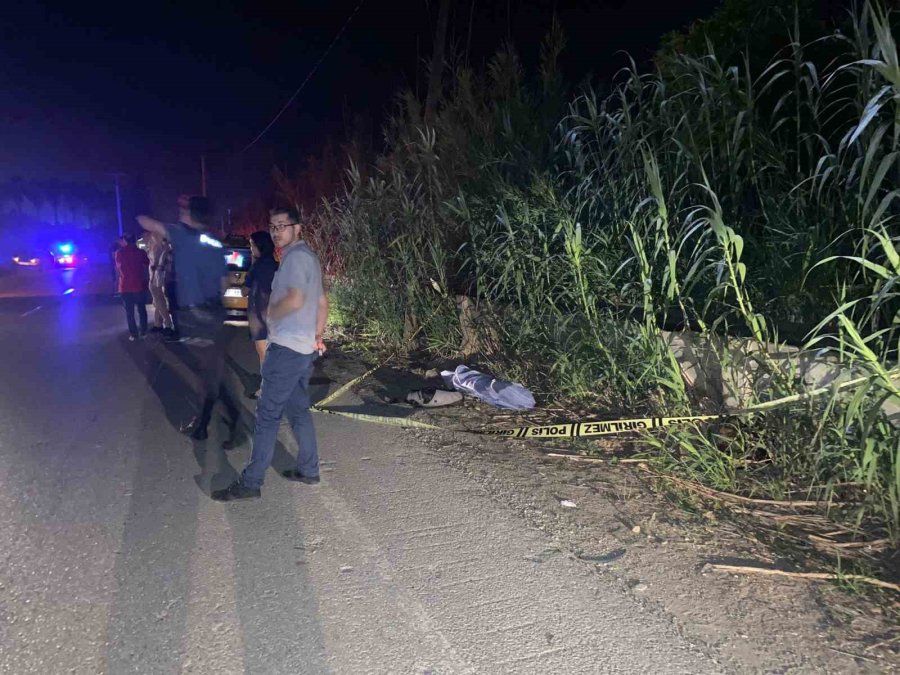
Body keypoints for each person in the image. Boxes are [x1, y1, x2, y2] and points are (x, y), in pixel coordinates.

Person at [213, 207, 328, 501]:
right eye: (273, 226)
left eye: (283, 226)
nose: (277, 231)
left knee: (267, 416)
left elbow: (296, 298)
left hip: (287, 348)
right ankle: (309, 469)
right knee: (298, 410)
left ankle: (251, 483)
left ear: (297, 228)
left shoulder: (294, 259)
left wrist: (271, 313)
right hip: (303, 348)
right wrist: (317, 335)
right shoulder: (309, 258)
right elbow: (322, 302)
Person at [137, 196, 227, 440]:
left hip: (192, 314)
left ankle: (207, 420)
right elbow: (224, 281)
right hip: (214, 311)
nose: (180, 213)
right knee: (207, 367)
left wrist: (136, 204)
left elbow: (145, 221)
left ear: (191, 214)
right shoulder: (216, 243)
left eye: (184, 210)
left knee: (203, 371)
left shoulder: (181, 234)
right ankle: (214, 416)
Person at [244, 230, 278, 398]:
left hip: (259, 315)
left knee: (263, 354)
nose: (251, 249)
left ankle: (266, 389)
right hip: (274, 314)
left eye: (252, 245)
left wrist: (252, 263)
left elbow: (244, 291)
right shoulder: (275, 265)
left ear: (259, 247)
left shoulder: (256, 267)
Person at [115, 233, 150, 341]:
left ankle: (134, 334)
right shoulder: (141, 252)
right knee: (142, 309)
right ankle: (143, 332)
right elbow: (147, 263)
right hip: (139, 285)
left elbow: (118, 267)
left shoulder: (119, 253)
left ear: (125, 241)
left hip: (125, 286)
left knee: (129, 312)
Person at [147, 230, 175, 336]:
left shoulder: (161, 247)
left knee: (159, 300)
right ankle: (158, 323)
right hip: (158, 276)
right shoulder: (162, 247)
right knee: (159, 300)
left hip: (158, 277)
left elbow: (158, 265)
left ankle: (167, 323)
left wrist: (154, 275)